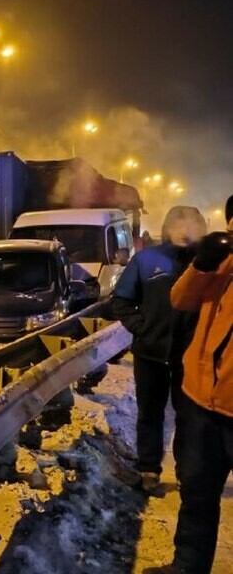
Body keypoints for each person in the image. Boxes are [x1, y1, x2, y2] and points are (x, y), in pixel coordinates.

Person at [150, 195, 232, 574]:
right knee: (197, 494)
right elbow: (181, 300)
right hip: (201, 401)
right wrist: (203, 265)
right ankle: (187, 567)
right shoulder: (222, 261)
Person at [110, 206, 206, 495]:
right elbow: (122, 301)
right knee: (150, 414)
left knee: (189, 417)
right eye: (177, 225)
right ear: (167, 229)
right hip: (150, 354)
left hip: (190, 358)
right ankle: (149, 470)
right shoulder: (146, 260)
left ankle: (187, 474)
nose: (183, 231)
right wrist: (143, 329)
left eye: (190, 225)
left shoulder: (205, 264)